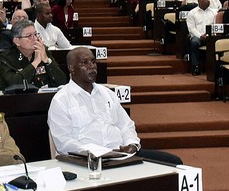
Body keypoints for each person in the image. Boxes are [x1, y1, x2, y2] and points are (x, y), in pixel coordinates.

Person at [48, 47, 182, 165]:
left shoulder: (107, 94)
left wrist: (132, 145)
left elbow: (126, 125)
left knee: (174, 163)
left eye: (93, 62)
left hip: (121, 156)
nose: (92, 67)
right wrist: (97, 152)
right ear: (71, 68)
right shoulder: (61, 100)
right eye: (85, 63)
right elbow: (64, 143)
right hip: (89, 161)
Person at [0, 19, 67, 90]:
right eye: (29, 36)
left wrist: (47, 61)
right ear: (17, 41)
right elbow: (15, 84)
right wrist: (36, 62)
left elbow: (62, 81)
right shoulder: (6, 58)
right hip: (18, 99)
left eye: (35, 34)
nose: (35, 39)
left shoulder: (43, 51)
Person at [186, 0, 217, 75]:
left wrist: (211, 34)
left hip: (211, 36)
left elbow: (216, 26)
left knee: (218, 42)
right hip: (198, 36)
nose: (208, 0)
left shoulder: (214, 12)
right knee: (194, 42)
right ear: (199, 1)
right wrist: (200, 36)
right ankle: (195, 66)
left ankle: (215, 67)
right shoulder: (192, 13)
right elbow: (191, 29)